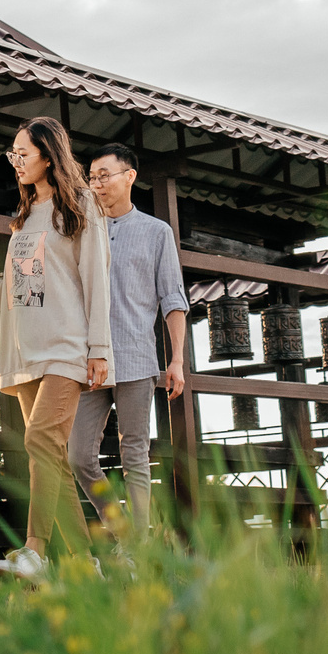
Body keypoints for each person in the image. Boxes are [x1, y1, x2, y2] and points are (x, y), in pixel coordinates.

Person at [0, 116, 111, 579]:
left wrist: (98, 349)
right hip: (24, 355)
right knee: (52, 459)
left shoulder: (81, 206)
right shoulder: (23, 219)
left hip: (67, 350)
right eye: (12, 155)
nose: (16, 162)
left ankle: (35, 552)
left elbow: (97, 280)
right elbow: (15, 294)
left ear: (48, 155)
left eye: (23, 153)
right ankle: (85, 567)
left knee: (39, 439)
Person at [70, 143, 190, 542]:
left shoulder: (157, 233)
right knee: (78, 455)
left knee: (134, 454)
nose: (97, 184)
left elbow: (173, 299)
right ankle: (122, 531)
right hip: (90, 361)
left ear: (129, 177)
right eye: (92, 178)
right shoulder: (82, 231)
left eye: (105, 175)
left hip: (137, 358)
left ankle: (138, 549)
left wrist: (176, 361)